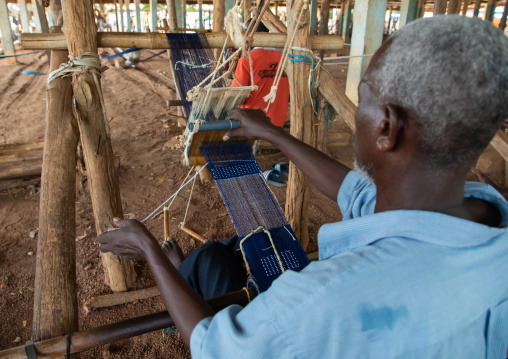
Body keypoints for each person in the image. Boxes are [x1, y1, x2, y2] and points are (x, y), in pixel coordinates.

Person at [98, 16, 508, 358]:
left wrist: (152, 252)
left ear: (387, 127)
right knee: (219, 253)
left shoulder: (324, 300)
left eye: (363, 96)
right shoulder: (483, 215)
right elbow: (357, 193)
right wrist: (274, 134)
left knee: (209, 259)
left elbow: (214, 347)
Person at [231, 20, 289, 128]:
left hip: (252, 126)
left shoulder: (247, 60)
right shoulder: (287, 59)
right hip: (278, 124)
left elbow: (235, 97)